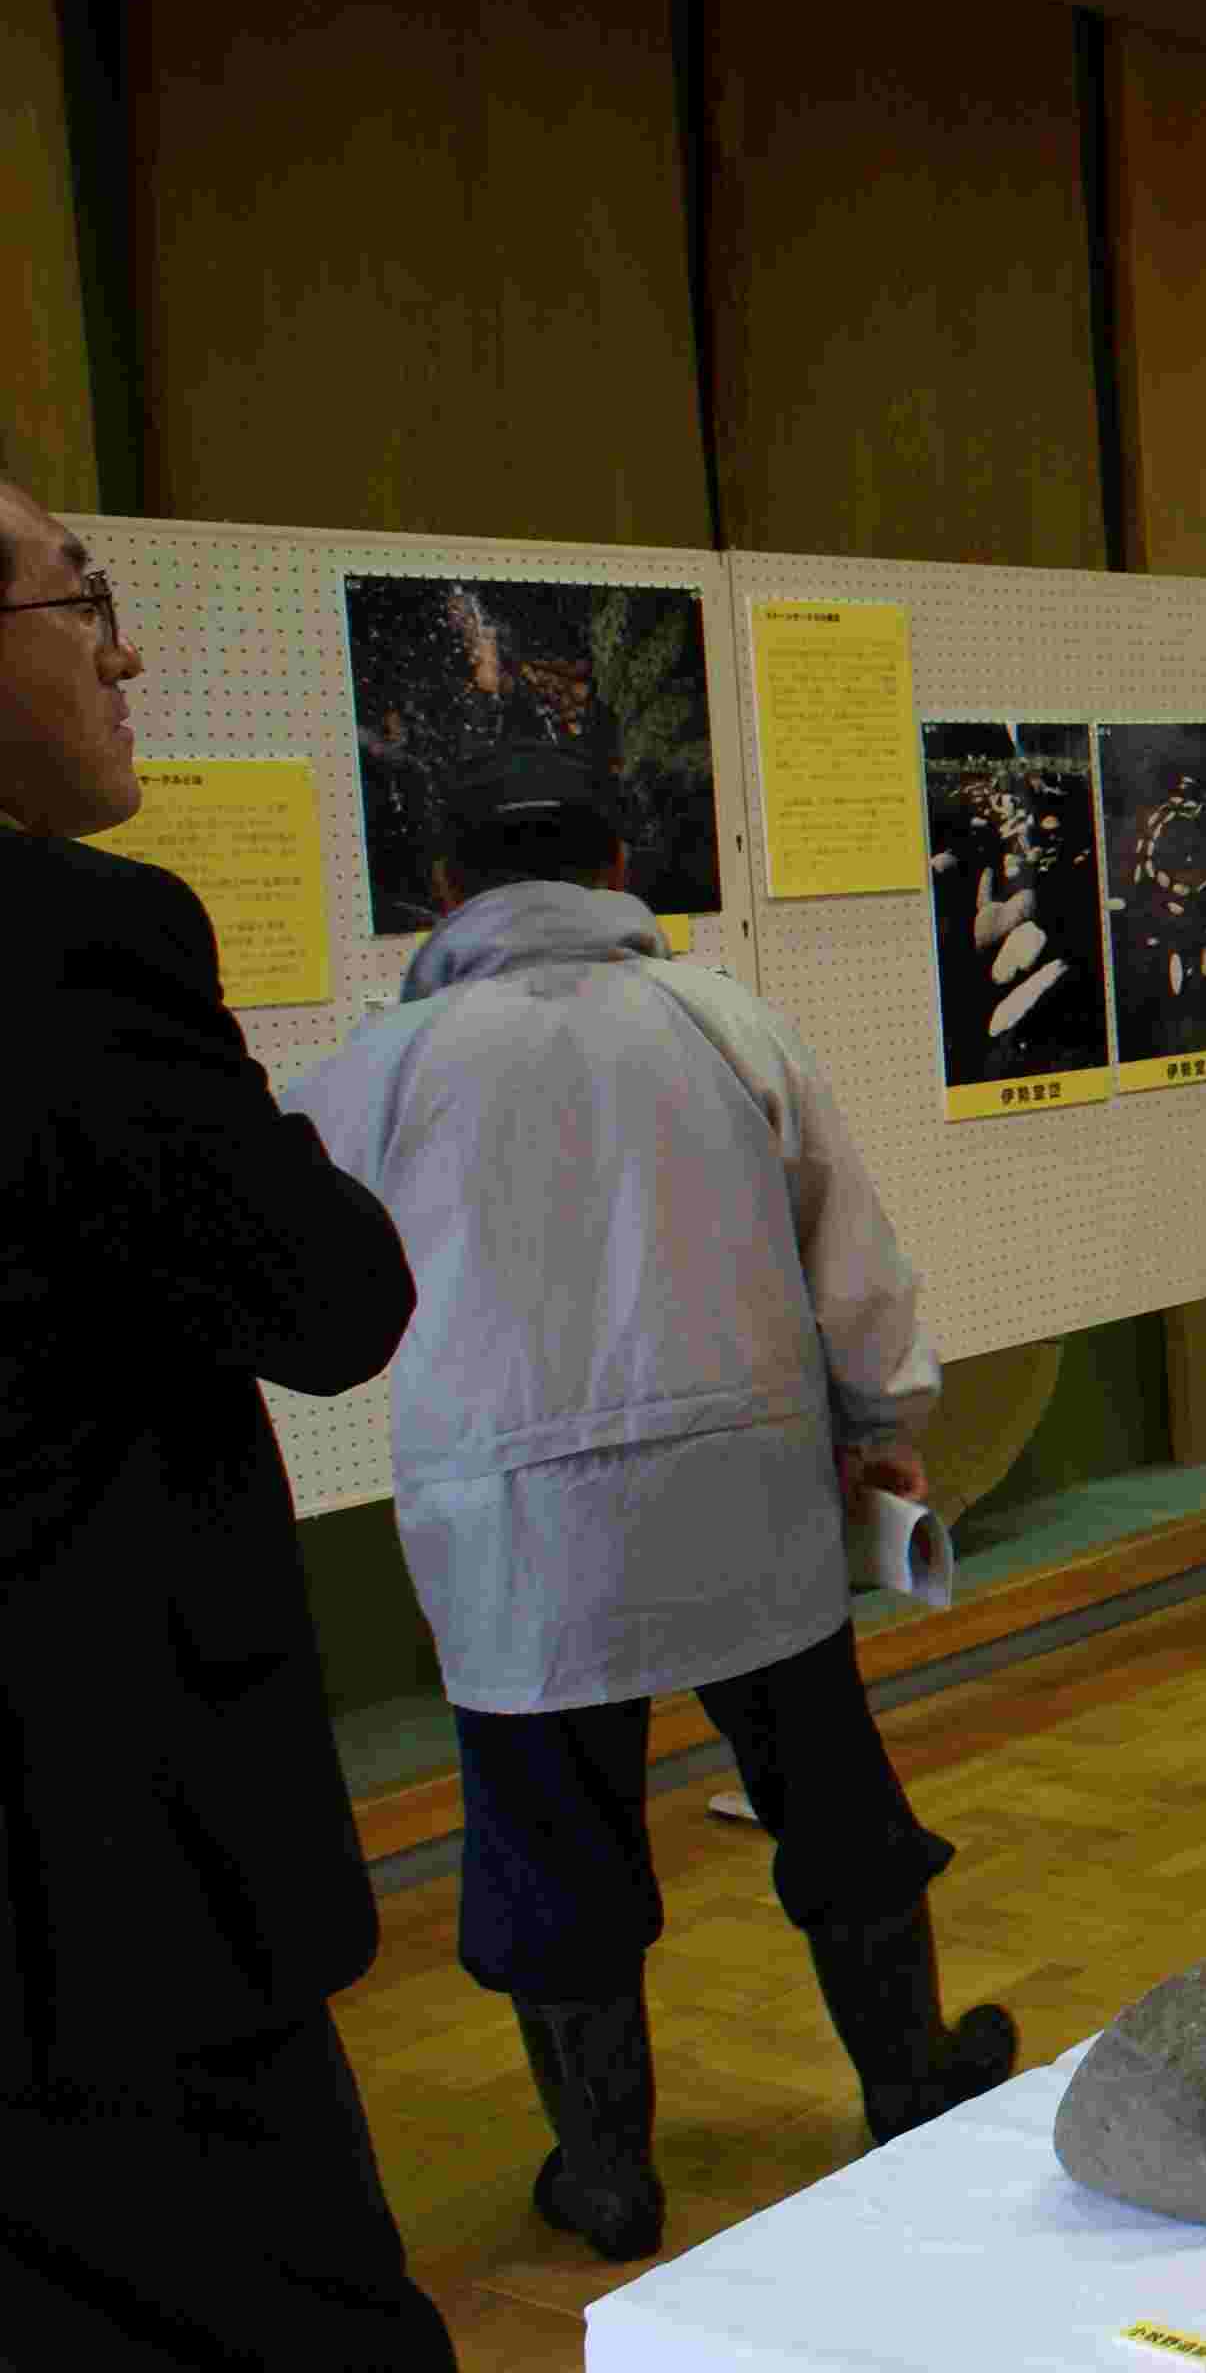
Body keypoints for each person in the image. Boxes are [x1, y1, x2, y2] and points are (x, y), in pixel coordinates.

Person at [288, 747, 1009, 2264]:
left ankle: (607, 2176)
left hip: (511, 1523)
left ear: (443, 893)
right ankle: (906, 2084)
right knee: (832, 1801)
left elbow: (305, 1283)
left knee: (550, 1842)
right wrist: (885, 1427)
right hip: (743, 1486)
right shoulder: (723, 1017)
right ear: (621, 877)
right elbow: (853, 1262)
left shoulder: (382, 1062)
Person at [0, 478, 459, 2367]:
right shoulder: (73, 942)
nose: (122, 648)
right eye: (81, 595)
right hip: (105, 1870)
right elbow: (330, 1298)